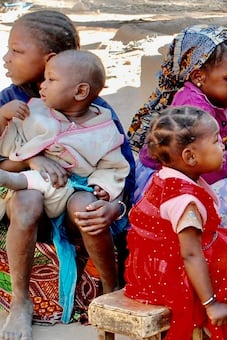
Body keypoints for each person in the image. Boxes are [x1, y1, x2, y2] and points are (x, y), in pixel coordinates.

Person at [0, 10, 135, 338]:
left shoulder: (99, 113)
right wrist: (32, 161)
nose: (6, 59)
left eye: (16, 51)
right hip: (27, 199)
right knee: (27, 199)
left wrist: (113, 207)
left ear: (49, 59)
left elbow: (122, 170)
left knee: (87, 208)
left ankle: (109, 290)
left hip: (74, 202)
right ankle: (21, 301)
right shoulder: (12, 103)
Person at [127, 24, 227, 300]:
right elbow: (204, 170)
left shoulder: (226, 102)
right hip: (178, 192)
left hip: (205, 182)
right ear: (199, 76)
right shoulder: (189, 107)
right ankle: (216, 283)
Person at [124, 106, 227, 340]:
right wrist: (211, 303)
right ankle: (211, 319)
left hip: (150, 265)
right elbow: (191, 255)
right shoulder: (185, 202)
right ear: (190, 156)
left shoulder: (167, 176)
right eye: (217, 141)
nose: (223, 146)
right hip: (164, 276)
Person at [0, 50, 129, 222]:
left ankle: (106, 249)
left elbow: (115, 167)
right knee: (27, 201)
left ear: (81, 91)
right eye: (44, 78)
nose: (42, 86)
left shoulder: (103, 125)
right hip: (31, 192)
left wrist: (106, 189)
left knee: (85, 208)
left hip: (71, 197)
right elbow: (7, 144)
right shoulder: (31, 109)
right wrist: (2, 117)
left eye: (51, 79)